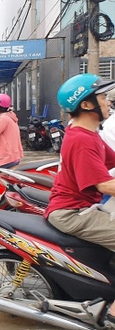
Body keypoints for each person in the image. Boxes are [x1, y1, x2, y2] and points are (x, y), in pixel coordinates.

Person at [44, 74, 115, 325]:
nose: (108, 102)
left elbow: (112, 160)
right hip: (73, 212)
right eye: (103, 97)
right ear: (86, 104)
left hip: (79, 207)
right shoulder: (82, 139)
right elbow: (104, 184)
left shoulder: (86, 132)